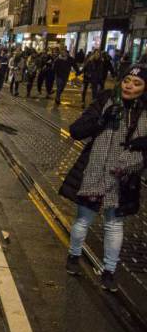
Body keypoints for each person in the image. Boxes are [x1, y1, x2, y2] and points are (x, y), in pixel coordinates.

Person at [60, 65, 147, 291]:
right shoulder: (106, 99)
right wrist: (100, 120)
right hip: (94, 171)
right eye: (127, 80)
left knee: (114, 225)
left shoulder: (144, 110)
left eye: (137, 83)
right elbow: (76, 130)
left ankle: (109, 271)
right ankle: (73, 256)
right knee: (83, 219)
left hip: (123, 176)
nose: (130, 86)